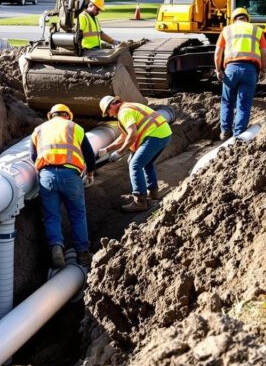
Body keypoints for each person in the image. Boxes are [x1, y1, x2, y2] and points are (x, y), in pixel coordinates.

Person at [29, 104, 96, 268]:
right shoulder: (75, 127)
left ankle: (57, 249)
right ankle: (83, 254)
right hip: (70, 176)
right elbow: (89, 154)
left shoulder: (38, 130)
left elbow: (33, 156)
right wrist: (90, 173)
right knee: (77, 215)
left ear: (50, 115)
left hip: (47, 176)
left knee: (52, 216)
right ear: (68, 115)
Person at [98, 95, 172, 212]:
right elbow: (124, 136)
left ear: (111, 106)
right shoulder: (128, 107)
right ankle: (153, 193)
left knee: (134, 164)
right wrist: (107, 149)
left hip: (155, 135)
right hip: (163, 133)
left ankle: (140, 201)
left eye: (107, 112)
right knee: (147, 164)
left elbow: (132, 135)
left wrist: (120, 152)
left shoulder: (124, 112)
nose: (109, 115)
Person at [215, 7, 266, 141]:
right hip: (250, 70)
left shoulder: (227, 30)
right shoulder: (256, 30)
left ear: (233, 19)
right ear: (247, 18)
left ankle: (225, 131)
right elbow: (264, 53)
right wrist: (263, 70)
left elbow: (218, 53)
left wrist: (218, 70)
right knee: (243, 104)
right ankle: (238, 135)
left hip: (231, 70)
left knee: (227, 101)